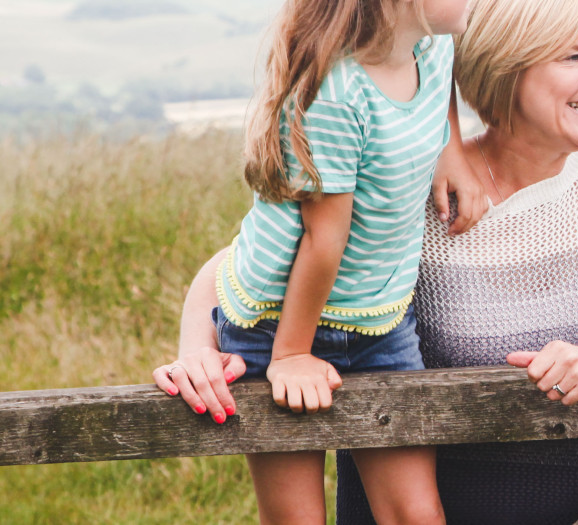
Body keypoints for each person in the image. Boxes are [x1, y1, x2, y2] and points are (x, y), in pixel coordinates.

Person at [153, 0, 578, 523]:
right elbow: (255, 261)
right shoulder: (421, 183)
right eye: (574, 56)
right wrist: (198, 349)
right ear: (505, 65)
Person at [148, 0, 488, 522]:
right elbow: (323, 239)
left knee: (415, 514)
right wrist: (290, 355)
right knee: (296, 518)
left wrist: (452, 152)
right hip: (277, 323)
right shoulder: (336, 94)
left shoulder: (433, 43)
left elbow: (439, 91)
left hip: (379, 318)